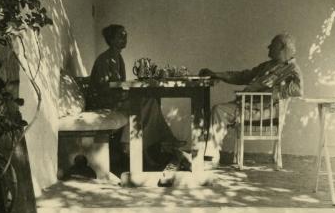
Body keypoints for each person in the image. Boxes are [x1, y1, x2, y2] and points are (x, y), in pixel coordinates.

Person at [87, 24, 182, 173]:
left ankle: (144, 147)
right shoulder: (104, 59)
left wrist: (126, 93)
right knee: (143, 103)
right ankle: (132, 146)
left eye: (125, 35)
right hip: (102, 102)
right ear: (111, 40)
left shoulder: (118, 58)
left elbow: (119, 85)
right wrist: (125, 95)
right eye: (120, 36)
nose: (125, 38)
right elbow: (103, 89)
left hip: (113, 99)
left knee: (150, 102)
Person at [199, 33, 303, 167]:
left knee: (218, 111)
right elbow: (244, 76)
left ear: (282, 48)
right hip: (249, 106)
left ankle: (211, 158)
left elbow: (298, 90)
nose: (269, 47)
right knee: (220, 110)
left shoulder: (292, 68)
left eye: (273, 45)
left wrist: (271, 93)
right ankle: (210, 153)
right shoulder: (268, 65)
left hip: (263, 111)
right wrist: (217, 74)